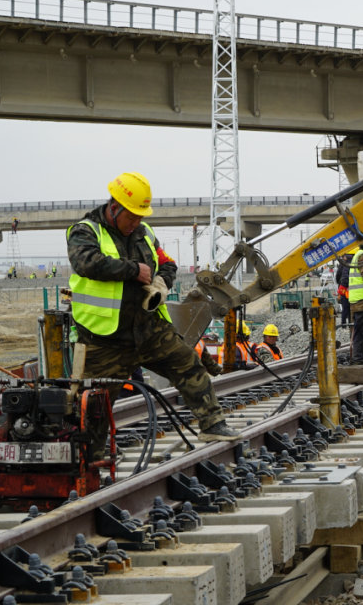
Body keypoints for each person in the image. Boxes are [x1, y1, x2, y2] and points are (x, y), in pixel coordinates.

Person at [67, 170, 241, 451]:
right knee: (94, 404)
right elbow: (86, 263)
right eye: (132, 216)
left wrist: (162, 282)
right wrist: (134, 270)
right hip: (104, 338)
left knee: (188, 365)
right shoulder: (86, 231)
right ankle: (90, 456)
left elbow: (168, 263)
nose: (136, 222)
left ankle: (212, 424)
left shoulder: (143, 233)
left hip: (149, 329)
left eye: (140, 216)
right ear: (114, 208)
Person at [336, 253, 353, 327]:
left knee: (345, 307)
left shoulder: (343, 265)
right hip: (348, 289)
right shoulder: (350, 264)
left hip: (345, 289)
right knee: (348, 308)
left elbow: (338, 276)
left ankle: (344, 324)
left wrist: (340, 284)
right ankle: (348, 323)